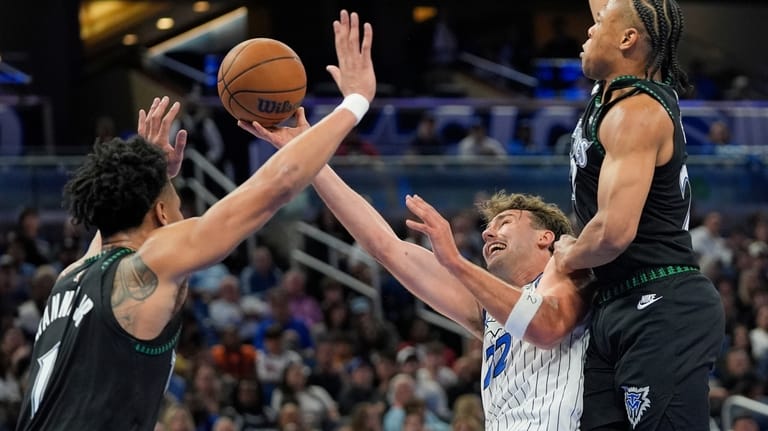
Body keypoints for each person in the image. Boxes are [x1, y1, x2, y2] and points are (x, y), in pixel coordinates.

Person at [15, 9, 376, 430]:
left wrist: (149, 171)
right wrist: (355, 102)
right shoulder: (151, 262)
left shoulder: (72, 276)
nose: (183, 213)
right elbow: (277, 184)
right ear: (161, 212)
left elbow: (111, 221)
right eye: (178, 202)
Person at [243, 123, 593, 429]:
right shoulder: (487, 309)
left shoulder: (568, 271)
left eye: (505, 223)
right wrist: (311, 160)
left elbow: (546, 327)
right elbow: (386, 246)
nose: (488, 233)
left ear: (544, 237)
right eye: (487, 227)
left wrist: (455, 261)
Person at [554, 0, 725, 429]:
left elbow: (613, 233)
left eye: (599, 27)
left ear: (628, 40)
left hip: (662, 301)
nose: (589, 31)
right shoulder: (615, 86)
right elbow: (614, 13)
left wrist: (566, 256)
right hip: (615, 302)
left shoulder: (636, 112)